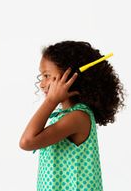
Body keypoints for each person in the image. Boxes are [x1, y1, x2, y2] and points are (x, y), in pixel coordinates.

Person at [19, 41, 124, 190]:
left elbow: (27, 142)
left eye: (47, 76)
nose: (42, 84)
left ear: (70, 78)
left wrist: (51, 101)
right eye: (41, 76)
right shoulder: (66, 115)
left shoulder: (77, 117)